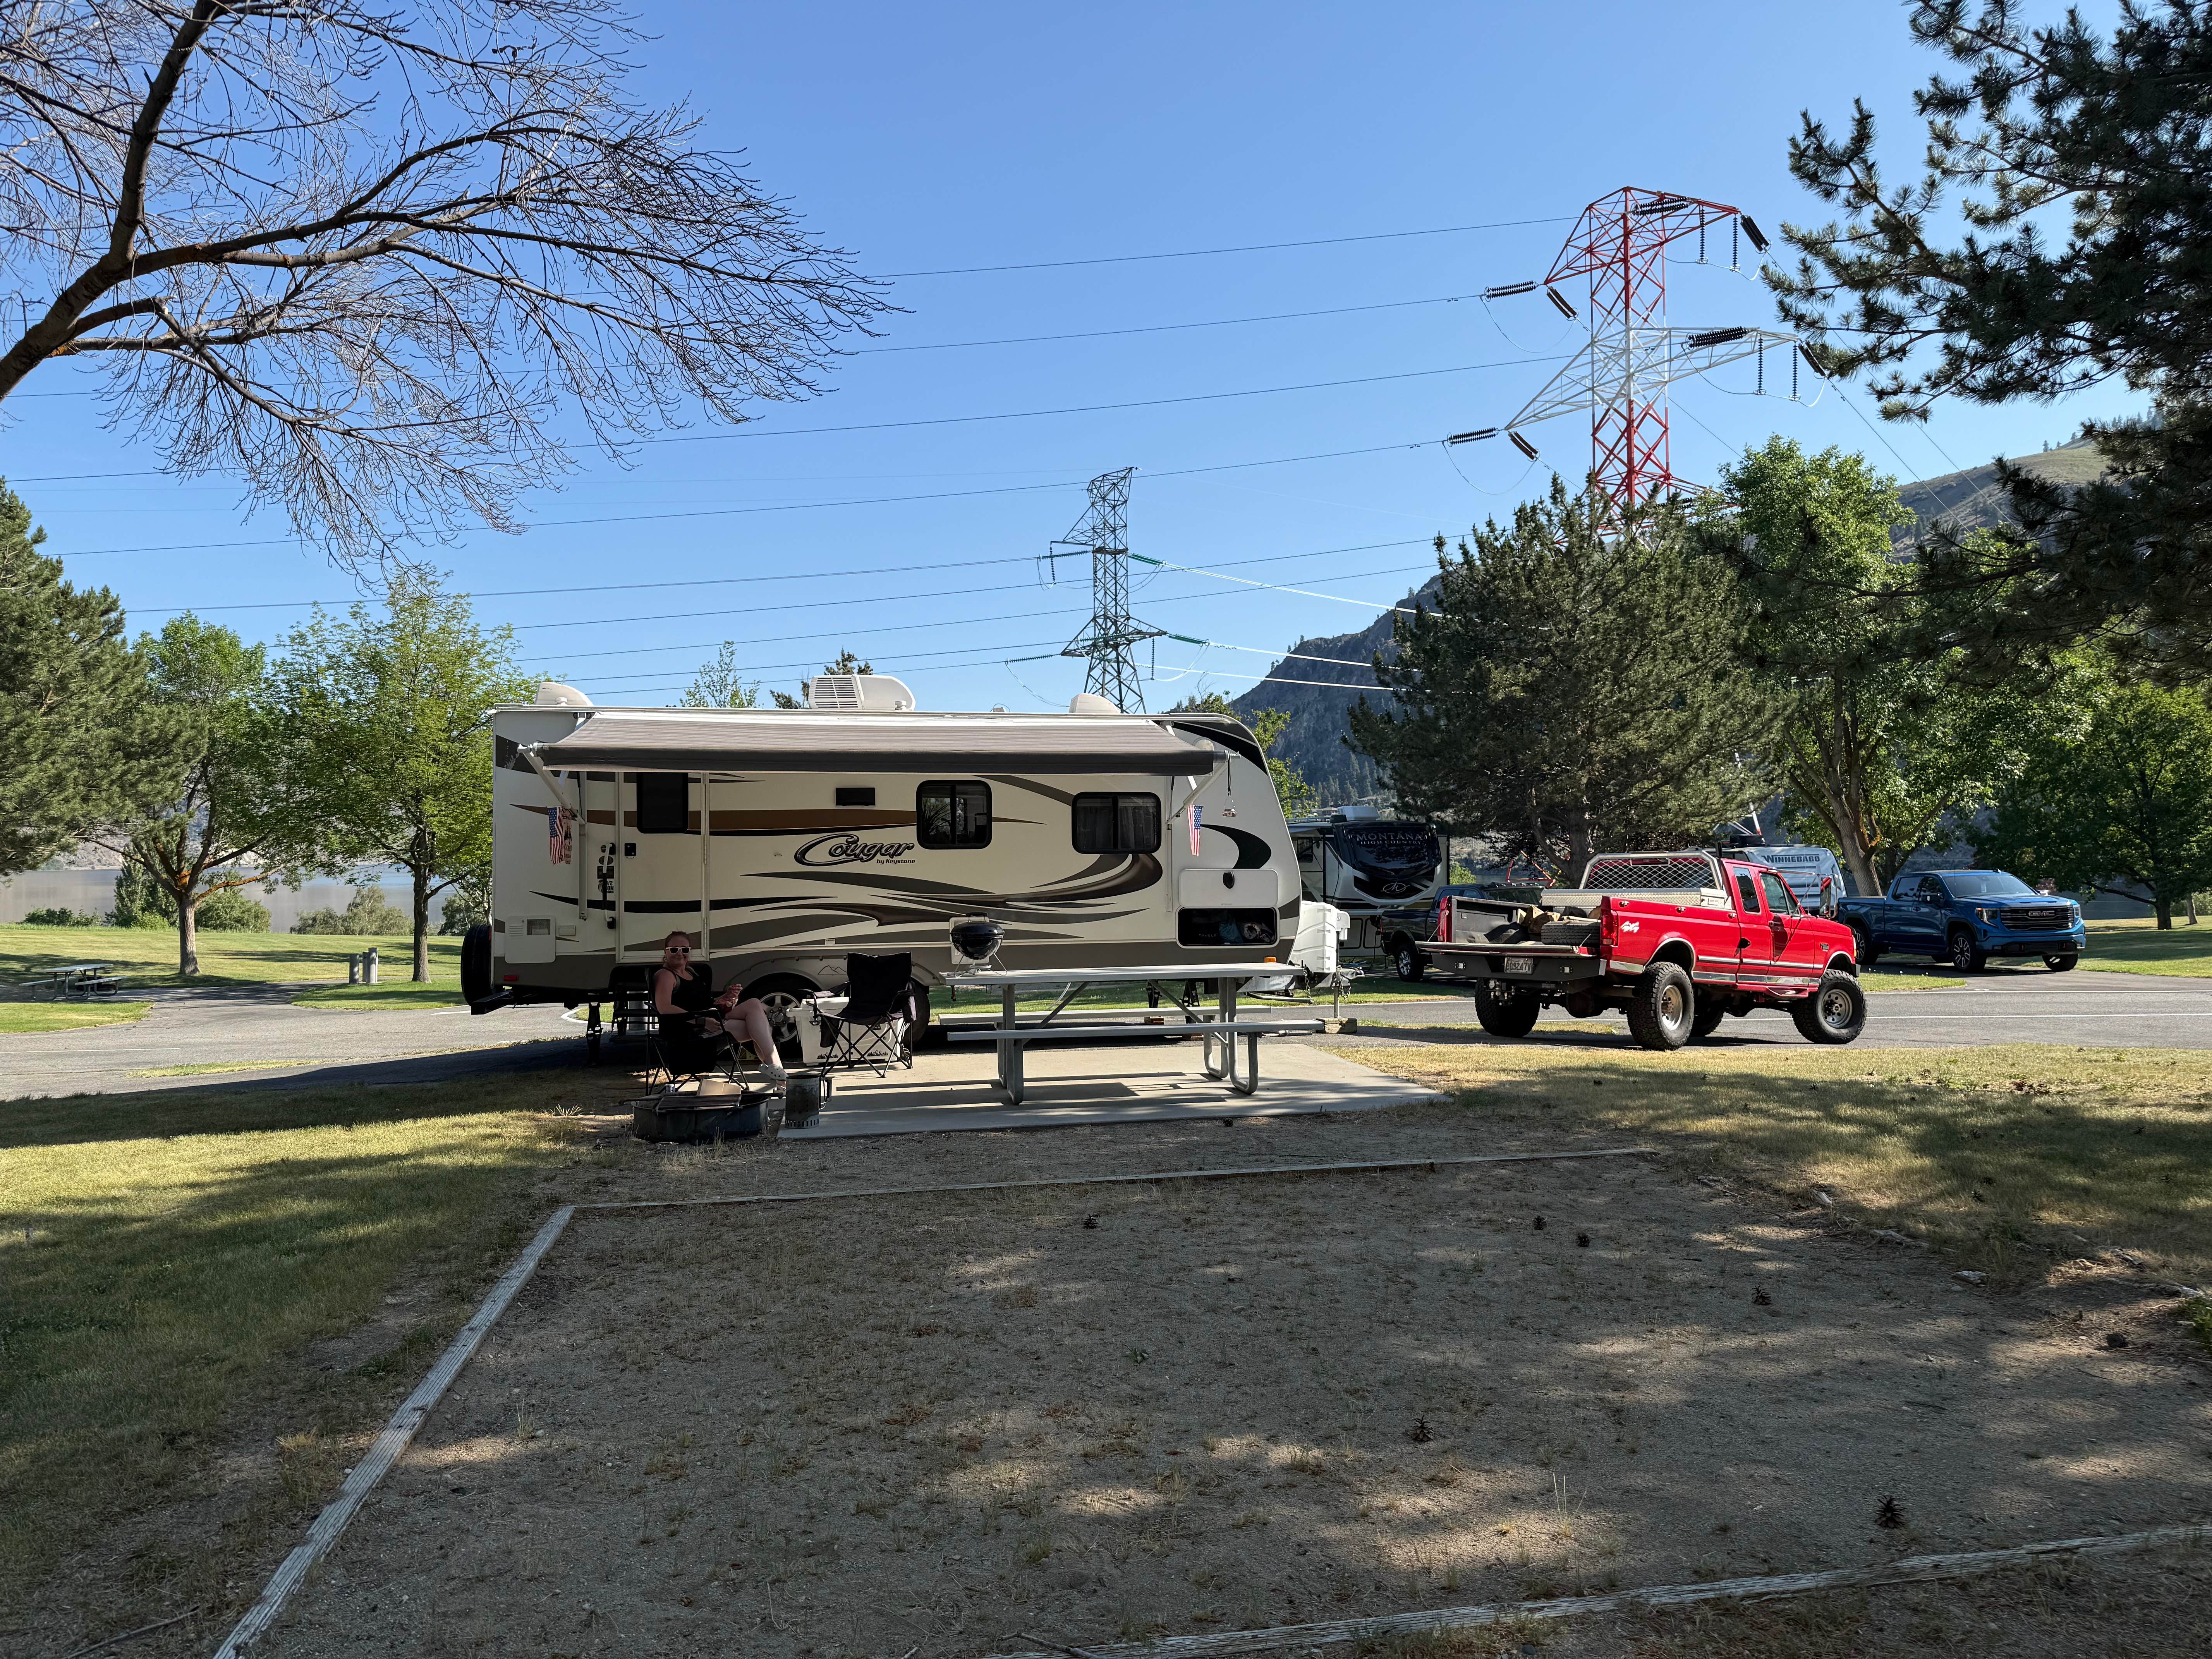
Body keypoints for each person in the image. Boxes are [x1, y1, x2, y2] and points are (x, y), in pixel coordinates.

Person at [652, 931, 786, 1084]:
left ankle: (775, 1068)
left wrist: (726, 997)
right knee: (762, 1028)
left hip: (711, 1018)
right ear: (666, 951)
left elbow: (705, 1003)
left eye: (685, 950)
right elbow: (664, 1008)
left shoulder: (691, 971)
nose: (680, 953)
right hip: (689, 1029)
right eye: (675, 950)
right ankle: (779, 1075)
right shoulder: (665, 975)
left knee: (755, 1004)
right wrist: (700, 1021)